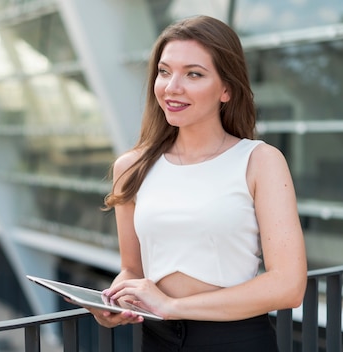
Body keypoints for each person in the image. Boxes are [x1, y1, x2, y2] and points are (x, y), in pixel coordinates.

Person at [89, 15, 307, 351]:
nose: (172, 87)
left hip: (235, 340)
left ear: (226, 89)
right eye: (164, 71)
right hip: (157, 340)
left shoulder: (260, 161)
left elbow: (288, 286)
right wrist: (114, 303)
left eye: (194, 74)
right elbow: (132, 269)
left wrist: (173, 307)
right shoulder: (130, 167)